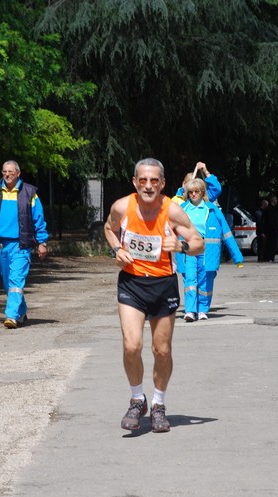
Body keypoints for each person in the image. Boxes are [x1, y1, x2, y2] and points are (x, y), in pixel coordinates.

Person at [104, 157, 204, 433]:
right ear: (135, 182)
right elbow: (109, 230)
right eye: (143, 180)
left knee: (162, 350)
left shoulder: (172, 211)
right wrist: (117, 250)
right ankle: (138, 400)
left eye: (154, 181)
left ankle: (158, 404)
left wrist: (181, 246)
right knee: (131, 346)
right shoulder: (122, 207)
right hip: (132, 284)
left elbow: (199, 243)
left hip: (163, 286)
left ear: (162, 183)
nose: (148, 186)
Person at [0, 160, 48, 329]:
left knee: (15, 279)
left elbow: (38, 219)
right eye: (4, 171)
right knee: (8, 283)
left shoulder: (29, 193)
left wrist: (42, 242)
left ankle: (11, 316)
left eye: (10, 172)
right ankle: (21, 311)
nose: (7, 175)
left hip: (22, 245)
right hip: (1, 245)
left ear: (18, 173)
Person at [178, 178, 243, 322]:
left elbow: (227, 234)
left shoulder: (212, 210)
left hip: (207, 251)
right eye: (191, 192)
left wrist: (237, 257)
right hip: (188, 249)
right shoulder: (181, 209)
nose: (193, 194)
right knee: (190, 280)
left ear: (202, 192)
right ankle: (190, 311)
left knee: (205, 281)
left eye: (197, 191)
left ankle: (202, 310)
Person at [263, 194, 278, 262]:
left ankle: (271, 257)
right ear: (273, 200)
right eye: (276, 199)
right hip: (271, 231)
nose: (277, 201)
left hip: (273, 230)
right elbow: (270, 221)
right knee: (271, 244)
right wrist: (274, 228)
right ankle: (269, 257)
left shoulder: (272, 209)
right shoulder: (270, 209)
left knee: (272, 244)